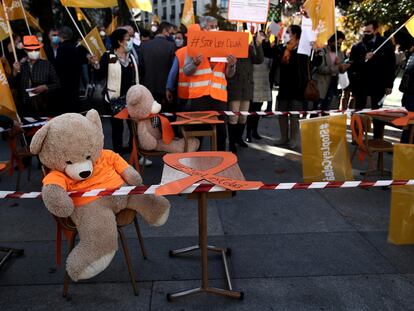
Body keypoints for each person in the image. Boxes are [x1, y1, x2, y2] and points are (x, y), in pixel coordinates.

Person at [182, 17, 237, 151]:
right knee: (198, 132)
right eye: (211, 26)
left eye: (216, 26)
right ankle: (195, 161)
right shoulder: (194, 46)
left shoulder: (225, 46)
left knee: (221, 133)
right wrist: (195, 63)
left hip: (218, 97)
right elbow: (186, 71)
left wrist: (232, 64)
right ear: (203, 30)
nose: (215, 29)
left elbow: (229, 74)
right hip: (199, 96)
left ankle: (220, 160)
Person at [94, 28, 139, 156]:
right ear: (120, 42)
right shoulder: (108, 56)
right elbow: (99, 76)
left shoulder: (132, 56)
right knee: (117, 128)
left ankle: (133, 152)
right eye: (128, 39)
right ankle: (117, 154)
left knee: (133, 127)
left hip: (132, 98)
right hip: (114, 99)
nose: (130, 41)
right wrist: (96, 66)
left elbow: (141, 71)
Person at [348, 20, 396, 137]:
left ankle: (377, 138)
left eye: (369, 31)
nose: (366, 34)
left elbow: (391, 65)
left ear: (375, 30)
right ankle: (357, 136)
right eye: (364, 32)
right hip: (361, 85)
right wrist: (364, 58)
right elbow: (352, 65)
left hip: (379, 84)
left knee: (378, 113)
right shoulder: (357, 46)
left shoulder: (385, 44)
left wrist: (389, 85)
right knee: (359, 111)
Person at [227, 31, 264, 153]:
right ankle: (232, 143)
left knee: (243, 117)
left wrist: (258, 44)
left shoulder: (249, 48)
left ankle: (238, 139)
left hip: (247, 88)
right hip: (235, 88)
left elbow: (259, 59)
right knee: (233, 117)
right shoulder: (230, 49)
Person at [274, 25, 308, 149]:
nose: (285, 34)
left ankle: (293, 139)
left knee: (294, 115)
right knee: (282, 113)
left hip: (297, 88)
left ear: (295, 35)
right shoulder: (282, 48)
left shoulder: (303, 50)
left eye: (288, 32)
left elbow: (309, 66)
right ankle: (283, 137)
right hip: (283, 87)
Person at [11, 36, 60, 117]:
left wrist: (45, 87)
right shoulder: (21, 65)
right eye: (30, 50)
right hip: (25, 108)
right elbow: (13, 86)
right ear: (25, 50)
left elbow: (57, 84)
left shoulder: (46, 64)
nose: (34, 51)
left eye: (36, 49)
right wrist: (15, 72)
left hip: (44, 107)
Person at [139, 22, 176, 112]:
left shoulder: (144, 46)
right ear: (164, 31)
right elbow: (173, 70)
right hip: (165, 90)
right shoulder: (171, 46)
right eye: (170, 33)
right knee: (165, 119)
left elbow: (141, 69)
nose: (172, 36)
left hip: (148, 88)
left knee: (151, 117)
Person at [313, 31, 350, 112]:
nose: (339, 45)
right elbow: (321, 69)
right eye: (337, 43)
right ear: (330, 42)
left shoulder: (340, 53)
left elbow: (341, 69)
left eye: (341, 43)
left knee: (326, 110)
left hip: (332, 84)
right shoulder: (322, 51)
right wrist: (337, 67)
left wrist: (343, 67)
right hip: (321, 85)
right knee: (316, 111)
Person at [247, 30, 272, 143]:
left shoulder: (266, 47)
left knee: (258, 110)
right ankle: (248, 133)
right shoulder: (251, 48)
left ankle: (254, 131)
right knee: (250, 111)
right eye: (260, 35)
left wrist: (267, 39)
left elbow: (270, 55)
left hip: (262, 83)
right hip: (253, 84)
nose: (262, 37)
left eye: (263, 35)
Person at [54, 26, 87, 113]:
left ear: (61, 36)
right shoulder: (75, 47)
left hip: (64, 81)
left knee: (67, 104)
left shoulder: (61, 48)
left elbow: (58, 66)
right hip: (75, 80)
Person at [399, 46, 414, 143]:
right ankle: (405, 145)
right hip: (410, 94)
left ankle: (405, 144)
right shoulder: (411, 56)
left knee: (408, 123)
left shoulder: (411, 55)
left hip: (408, 93)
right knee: (409, 122)